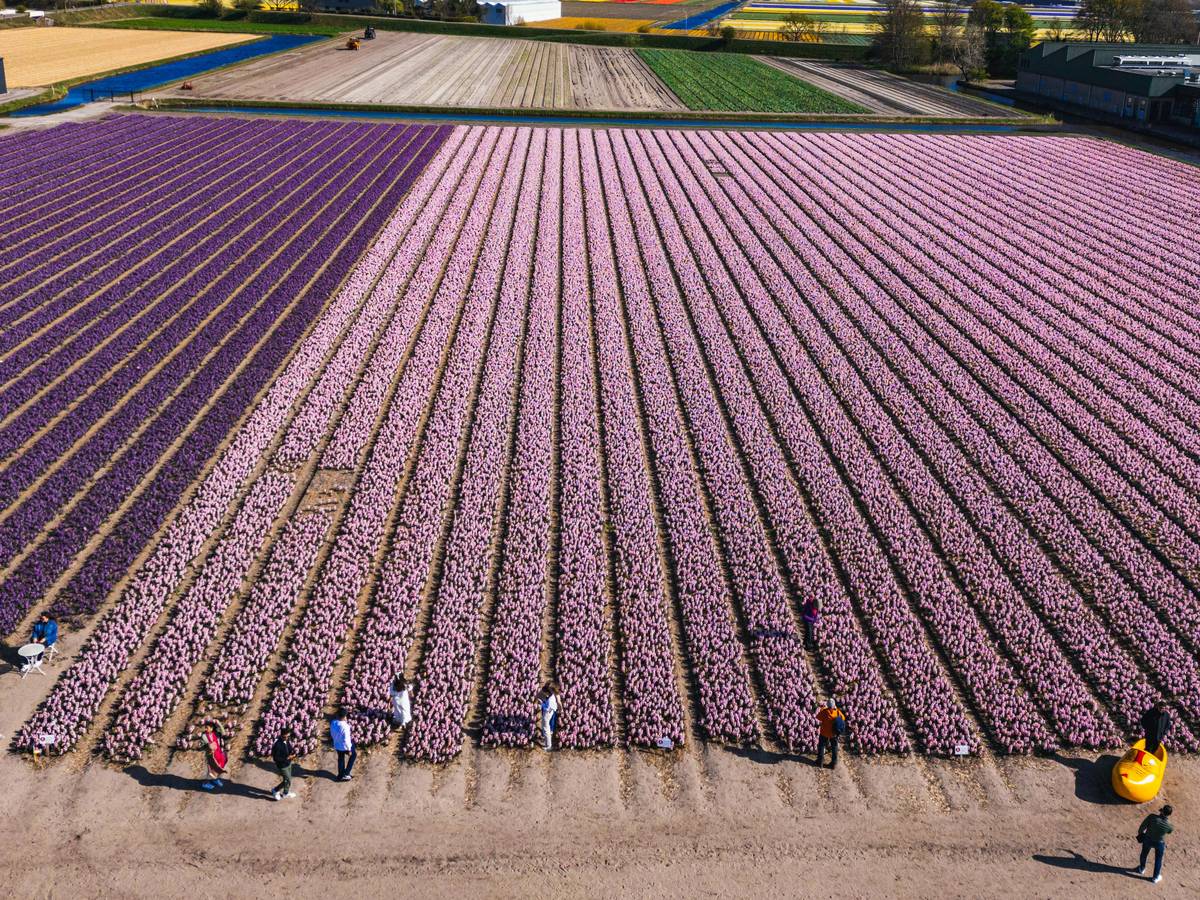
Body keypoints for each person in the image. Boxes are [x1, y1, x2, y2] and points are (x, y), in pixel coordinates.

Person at [1134, 804, 1174, 884]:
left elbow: (1142, 827)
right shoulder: (1169, 825)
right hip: (1159, 843)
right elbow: (1169, 832)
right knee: (1158, 860)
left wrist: (1141, 834)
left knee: (1144, 854)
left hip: (1148, 839)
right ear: (1169, 814)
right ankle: (1155, 877)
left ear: (1162, 810)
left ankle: (1141, 868)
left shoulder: (1152, 817)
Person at [816, 697, 847, 769]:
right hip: (834, 733)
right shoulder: (837, 712)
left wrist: (823, 709)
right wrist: (836, 710)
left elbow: (818, 717)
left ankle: (820, 761)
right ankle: (833, 763)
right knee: (834, 747)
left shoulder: (824, 712)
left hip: (824, 733)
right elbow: (843, 718)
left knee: (821, 746)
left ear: (827, 705)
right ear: (834, 705)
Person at [271, 731, 298, 801]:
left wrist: (293, 753)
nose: (286, 738)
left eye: (288, 736)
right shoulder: (277, 745)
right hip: (282, 766)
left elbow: (289, 748)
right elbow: (276, 758)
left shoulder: (287, 741)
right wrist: (286, 758)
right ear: (281, 736)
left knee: (288, 780)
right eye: (284, 737)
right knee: (288, 779)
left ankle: (285, 792)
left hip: (288, 763)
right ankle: (276, 790)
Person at [201, 723, 228, 791]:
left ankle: (215, 779)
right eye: (205, 727)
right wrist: (211, 745)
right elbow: (209, 745)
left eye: (207, 727)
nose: (205, 729)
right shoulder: (204, 735)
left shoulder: (216, 734)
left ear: (211, 728)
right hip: (210, 756)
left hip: (218, 754)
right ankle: (205, 783)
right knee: (210, 771)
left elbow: (223, 733)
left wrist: (219, 723)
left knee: (218, 769)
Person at [331, 710, 356, 782]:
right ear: (345, 717)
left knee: (341, 759)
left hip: (337, 745)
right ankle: (346, 773)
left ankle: (340, 775)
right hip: (345, 746)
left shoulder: (333, 723)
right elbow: (346, 740)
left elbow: (332, 733)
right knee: (353, 755)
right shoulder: (345, 726)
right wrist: (349, 749)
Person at [537, 682, 559, 752]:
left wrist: (541, 704)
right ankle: (547, 741)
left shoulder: (550, 700)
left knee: (546, 729)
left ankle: (548, 746)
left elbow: (546, 708)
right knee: (546, 728)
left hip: (548, 713)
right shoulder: (551, 696)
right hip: (550, 711)